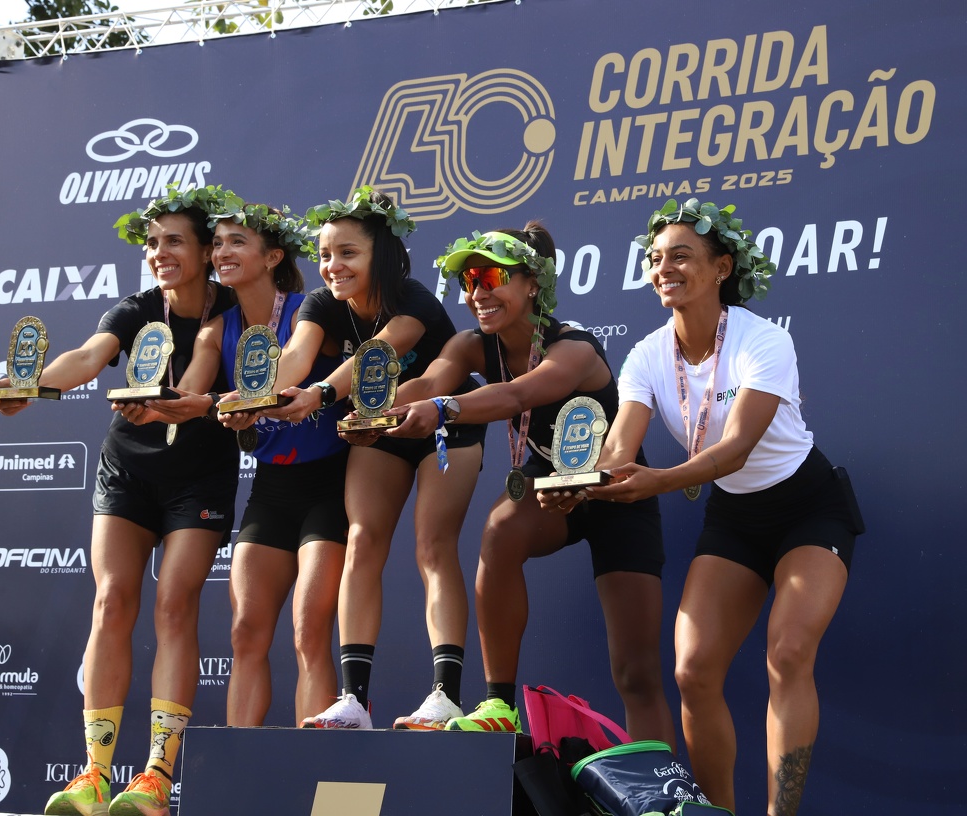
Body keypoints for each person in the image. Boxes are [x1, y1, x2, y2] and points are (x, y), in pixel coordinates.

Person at [579, 198, 863, 816]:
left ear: (721, 268)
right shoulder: (645, 355)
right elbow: (620, 446)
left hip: (809, 509)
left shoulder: (765, 339)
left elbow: (734, 450)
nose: (664, 268)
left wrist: (656, 481)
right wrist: (588, 480)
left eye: (681, 256)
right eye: (655, 259)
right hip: (735, 518)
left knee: (788, 655)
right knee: (693, 671)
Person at [0, 187, 238, 816]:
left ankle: (156, 776)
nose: (158, 253)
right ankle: (96, 774)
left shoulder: (233, 306)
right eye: (152, 243)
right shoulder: (137, 308)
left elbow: (204, 367)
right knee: (111, 600)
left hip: (199, 477)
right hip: (128, 468)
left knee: (174, 605)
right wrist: (30, 386)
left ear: (207, 250)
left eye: (173, 241)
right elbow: (88, 357)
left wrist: (171, 402)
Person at [383, 223, 674, 744]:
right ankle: (499, 704)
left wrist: (444, 408)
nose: (478, 292)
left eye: (492, 277)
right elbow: (426, 383)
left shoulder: (575, 348)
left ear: (533, 283)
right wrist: (369, 410)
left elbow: (518, 395)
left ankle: (658, 782)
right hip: (547, 483)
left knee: (636, 673)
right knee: (498, 532)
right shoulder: (471, 345)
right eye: (469, 280)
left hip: (614, 490)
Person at [261, 186, 486, 730]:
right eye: (324, 254)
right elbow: (296, 355)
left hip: (443, 421)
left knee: (433, 546)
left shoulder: (415, 300)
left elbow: (375, 358)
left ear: (380, 255)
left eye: (348, 253)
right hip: (376, 426)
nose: (332, 266)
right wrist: (260, 396)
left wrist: (320, 394)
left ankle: (445, 696)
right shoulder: (321, 304)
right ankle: (354, 702)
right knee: (361, 541)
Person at [141, 192, 349, 728]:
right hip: (272, 488)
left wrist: (240, 402)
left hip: (330, 485)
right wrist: (165, 403)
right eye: (217, 243)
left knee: (309, 630)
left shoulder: (310, 310)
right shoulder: (219, 327)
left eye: (238, 241)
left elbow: (300, 364)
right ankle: (240, 760)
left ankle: (315, 763)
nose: (222, 252)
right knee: (246, 632)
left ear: (273, 256)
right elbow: (194, 388)